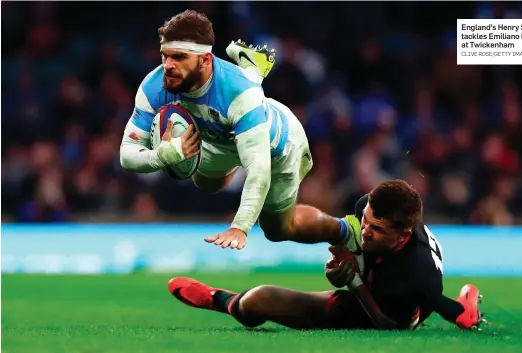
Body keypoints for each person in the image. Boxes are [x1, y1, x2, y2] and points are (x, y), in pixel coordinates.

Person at [119, 10, 356, 251]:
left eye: (179, 57)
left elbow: (259, 169)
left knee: (278, 229)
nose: (168, 66)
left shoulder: (240, 94)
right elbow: (127, 154)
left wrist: (240, 226)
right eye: (165, 56)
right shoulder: (154, 85)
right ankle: (252, 69)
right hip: (221, 137)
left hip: (276, 145)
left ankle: (345, 229)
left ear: (205, 60)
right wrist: (159, 156)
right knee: (205, 182)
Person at [167, 180, 486, 331]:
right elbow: (361, 233)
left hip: (388, 310)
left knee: (255, 302)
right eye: (366, 220)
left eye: (376, 228)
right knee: (337, 229)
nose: (366, 230)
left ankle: (218, 298)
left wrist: (354, 281)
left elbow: (392, 325)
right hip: (375, 272)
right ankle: (281, 221)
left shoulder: (418, 279)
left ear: (403, 234)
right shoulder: (368, 212)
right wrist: (345, 254)